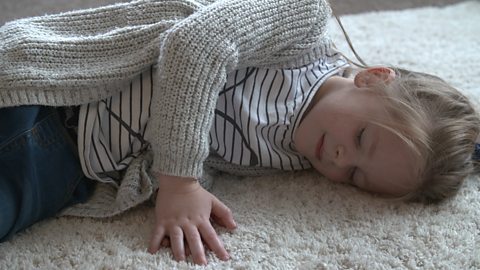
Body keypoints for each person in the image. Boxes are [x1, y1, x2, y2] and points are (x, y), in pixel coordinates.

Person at [0, 0, 479, 265]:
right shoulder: (304, 27)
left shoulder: (295, 157)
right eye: (359, 139)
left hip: (70, 174)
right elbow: (195, 43)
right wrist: (181, 181)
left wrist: (190, 194)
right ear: (374, 77)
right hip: (55, 92)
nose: (336, 158)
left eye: (355, 175)